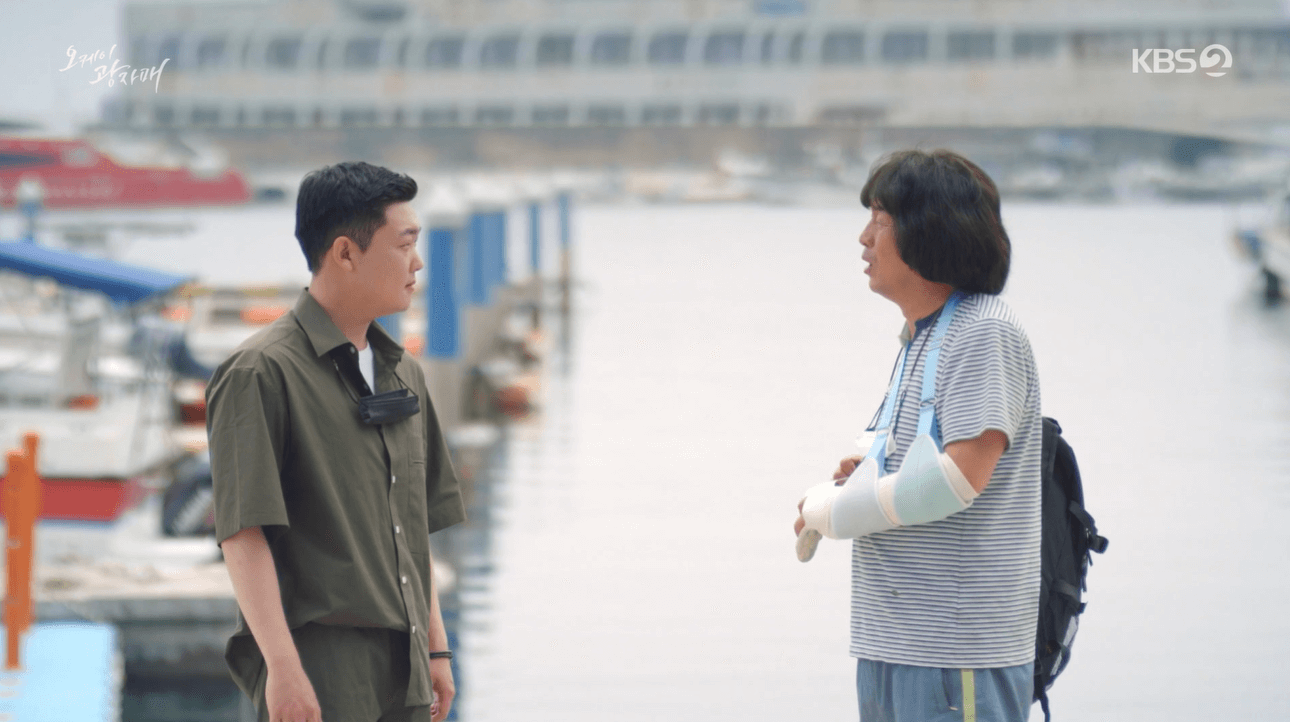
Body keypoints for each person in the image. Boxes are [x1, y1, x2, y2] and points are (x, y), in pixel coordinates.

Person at [208, 161, 467, 722]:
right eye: (404, 245)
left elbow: (412, 530)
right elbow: (243, 533)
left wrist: (436, 648)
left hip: (407, 667)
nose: (418, 262)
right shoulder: (259, 372)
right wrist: (283, 667)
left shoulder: (404, 373)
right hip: (321, 665)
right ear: (346, 253)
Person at [794, 149, 1042, 722]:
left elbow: (951, 484)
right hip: (893, 644)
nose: (864, 238)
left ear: (931, 230)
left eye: (881, 220)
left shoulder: (984, 332)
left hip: (955, 655)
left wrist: (831, 512)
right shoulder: (922, 336)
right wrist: (860, 482)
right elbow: (918, 474)